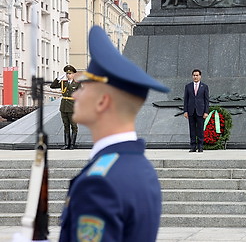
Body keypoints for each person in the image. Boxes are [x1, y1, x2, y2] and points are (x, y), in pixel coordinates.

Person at [58, 26, 169, 242]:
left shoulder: (98, 184)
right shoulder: (142, 169)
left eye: (84, 87)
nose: (77, 95)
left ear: (102, 101)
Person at [50, 65, 81, 150]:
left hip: (72, 107)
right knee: (66, 125)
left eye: (70, 73)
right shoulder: (63, 83)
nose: (68, 75)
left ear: (73, 74)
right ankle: (66, 144)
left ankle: (72, 144)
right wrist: (57, 79)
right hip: (63, 106)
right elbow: (52, 86)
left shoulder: (77, 84)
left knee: (74, 126)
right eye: (67, 73)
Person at [183, 69, 209, 152]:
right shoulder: (188, 86)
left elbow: (206, 100)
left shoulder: (204, 87)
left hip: (200, 111)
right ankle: (193, 146)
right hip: (191, 111)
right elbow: (186, 100)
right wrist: (185, 111)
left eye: (197, 75)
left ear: (200, 76)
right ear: (192, 76)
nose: (195, 77)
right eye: (194, 75)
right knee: (192, 129)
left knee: (200, 129)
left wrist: (206, 112)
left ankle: (200, 146)